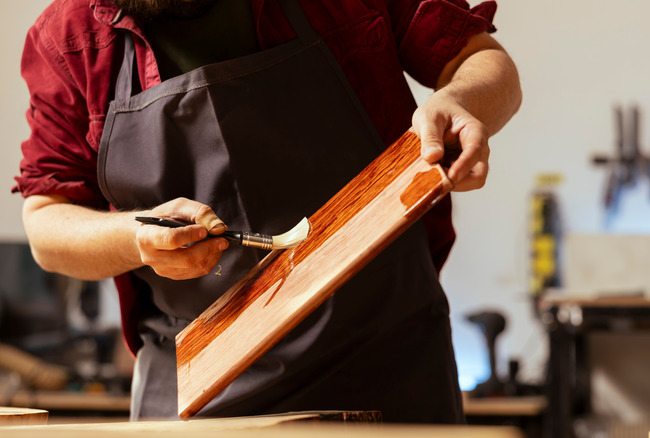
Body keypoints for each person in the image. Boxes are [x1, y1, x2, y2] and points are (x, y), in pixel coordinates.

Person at [13, 0, 521, 423]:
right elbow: (47, 224)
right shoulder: (67, 39)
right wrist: (135, 239)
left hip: (388, 377)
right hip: (196, 396)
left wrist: (462, 101)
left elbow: (482, 61)